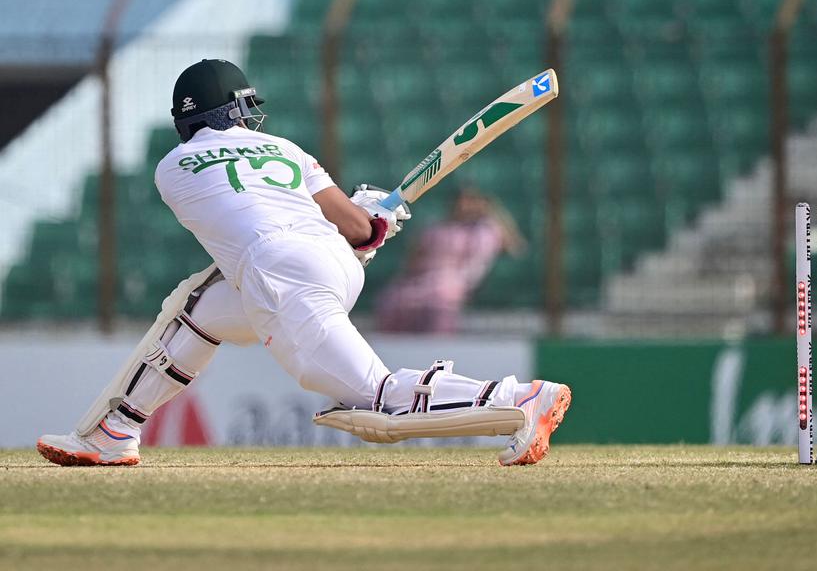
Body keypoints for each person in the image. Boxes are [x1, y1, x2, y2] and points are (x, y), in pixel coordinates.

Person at [37, 59, 571, 467]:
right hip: (331, 263)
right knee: (198, 308)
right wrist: (375, 222)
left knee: (377, 401)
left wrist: (365, 228)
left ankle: (521, 398)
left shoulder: (173, 166)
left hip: (276, 266)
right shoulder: (284, 149)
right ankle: (112, 433)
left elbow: (245, 216)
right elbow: (359, 230)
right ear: (238, 108)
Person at [376, 187, 526, 333]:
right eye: (461, 200)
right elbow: (414, 258)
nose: (464, 205)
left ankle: (439, 350)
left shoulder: (484, 230)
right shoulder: (436, 227)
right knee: (393, 299)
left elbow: (514, 246)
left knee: (440, 302)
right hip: (421, 282)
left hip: (450, 286)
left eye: (470, 201)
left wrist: (491, 211)